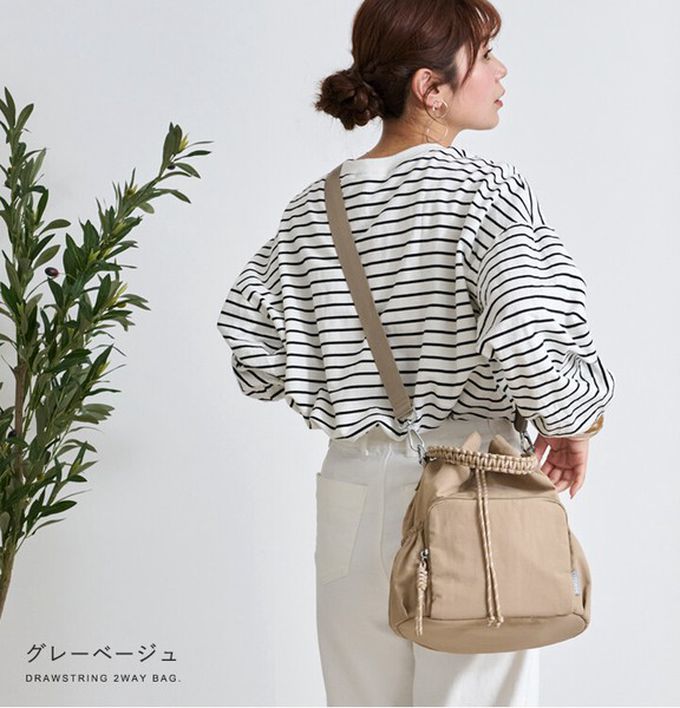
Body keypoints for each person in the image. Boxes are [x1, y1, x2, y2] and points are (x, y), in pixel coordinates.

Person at [216, 0, 616, 704]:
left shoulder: (314, 207)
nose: (501, 70)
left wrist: (338, 373)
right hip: (473, 483)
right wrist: (572, 419)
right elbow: (525, 339)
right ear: (431, 87)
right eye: (484, 55)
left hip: (351, 490)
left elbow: (254, 348)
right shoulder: (488, 193)